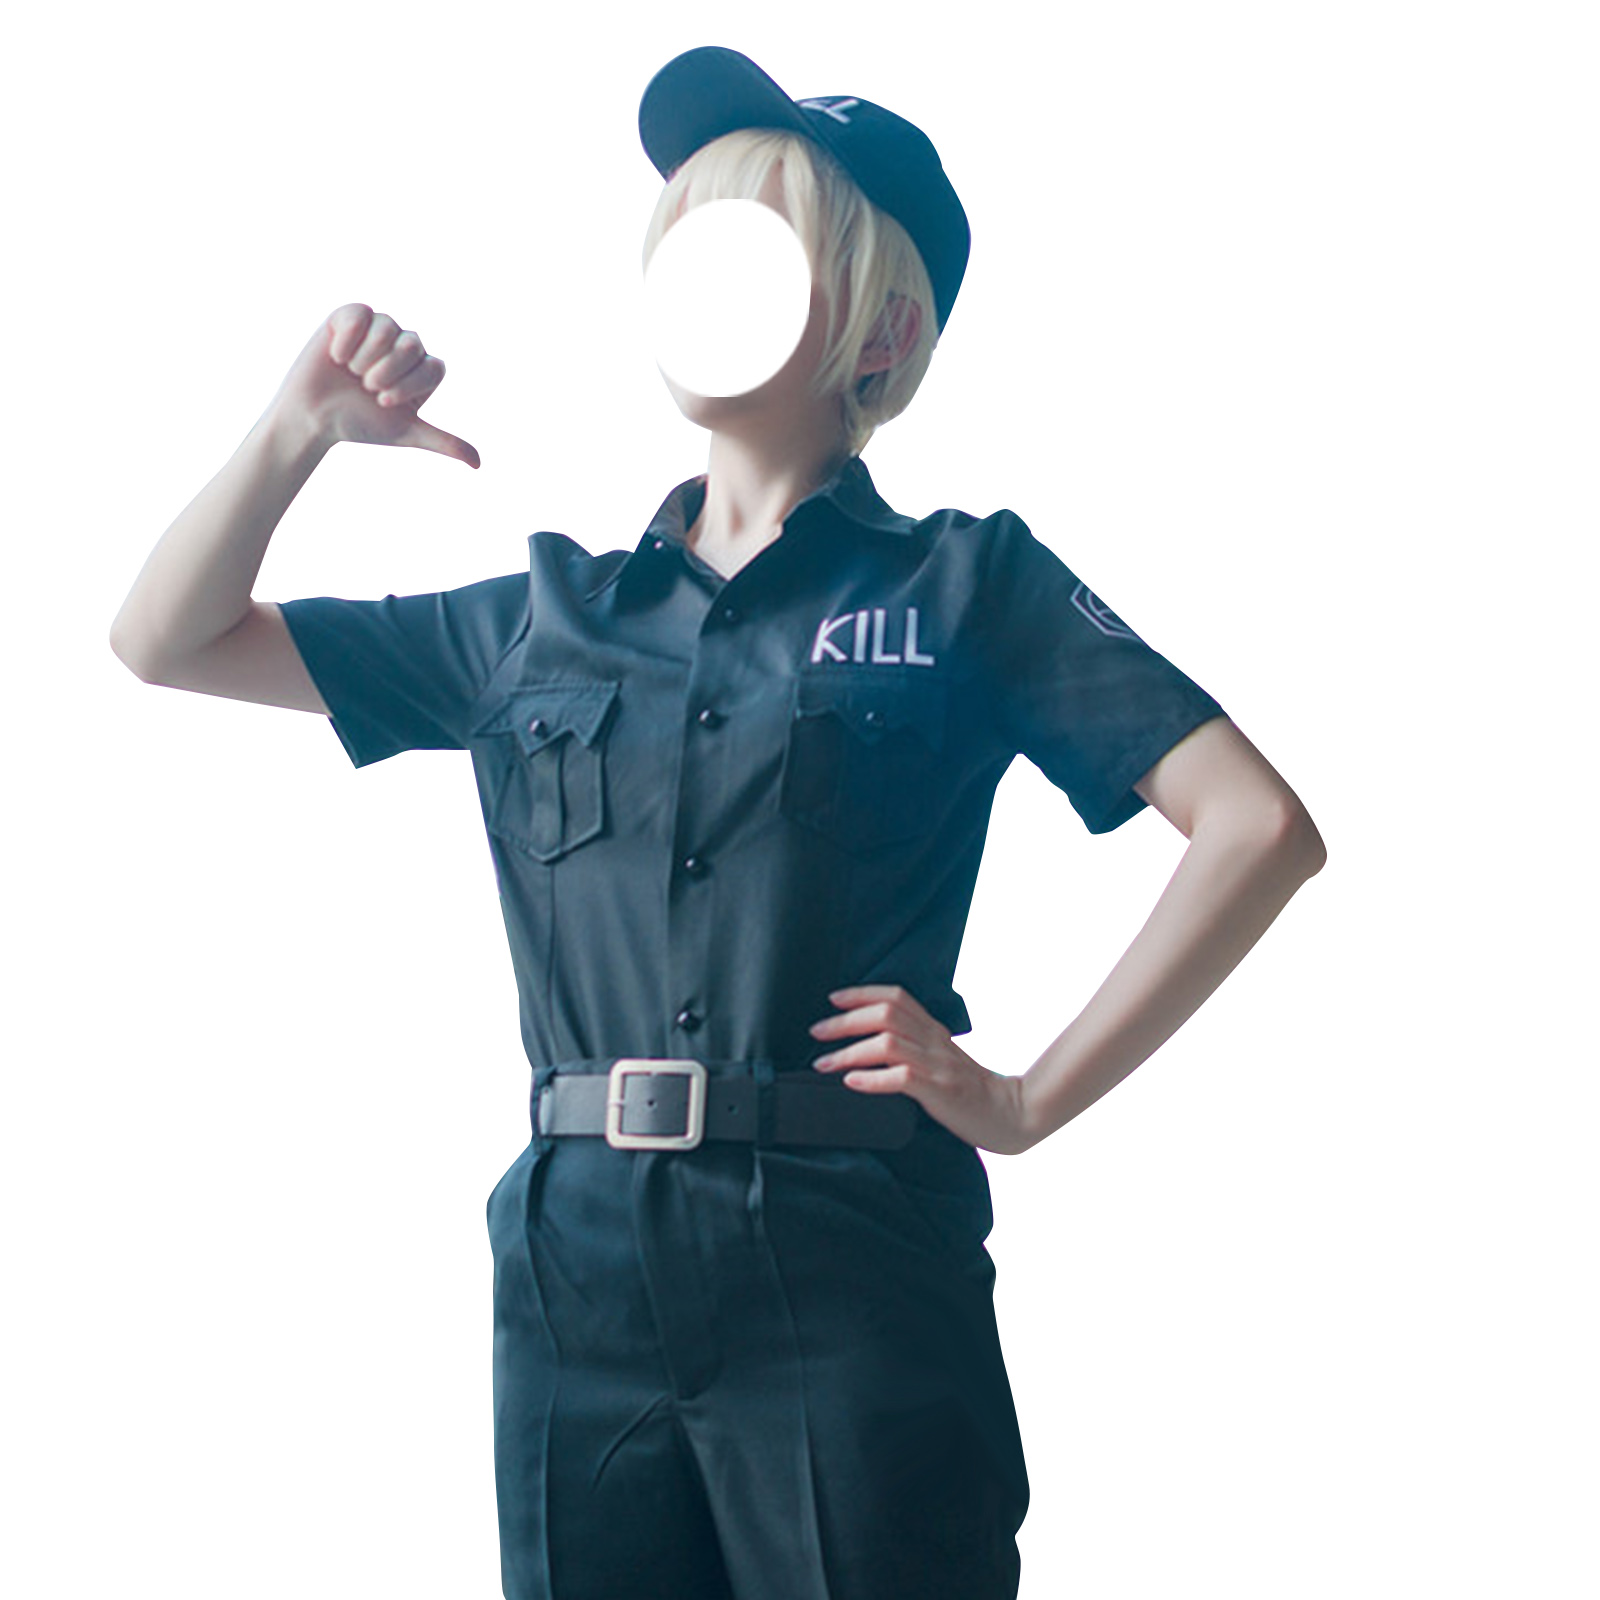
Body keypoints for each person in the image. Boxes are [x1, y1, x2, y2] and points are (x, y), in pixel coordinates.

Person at [109, 44, 1326, 1600]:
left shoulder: (967, 588)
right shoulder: (543, 619)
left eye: (760, 236)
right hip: (575, 1271)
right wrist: (296, 432)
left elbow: (1255, 825)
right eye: (690, 230)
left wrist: (1026, 1100)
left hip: (851, 1258)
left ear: (883, 328)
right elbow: (167, 640)